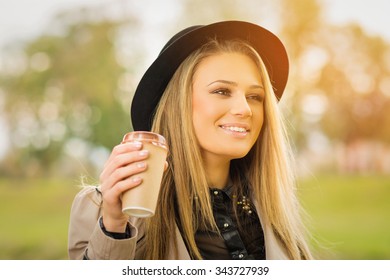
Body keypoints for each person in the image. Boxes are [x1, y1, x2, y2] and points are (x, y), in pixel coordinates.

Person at [68, 20, 313, 260]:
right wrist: (113, 226)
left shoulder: (274, 210)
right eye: (221, 91)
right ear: (178, 105)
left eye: (255, 96)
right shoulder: (109, 209)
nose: (245, 109)